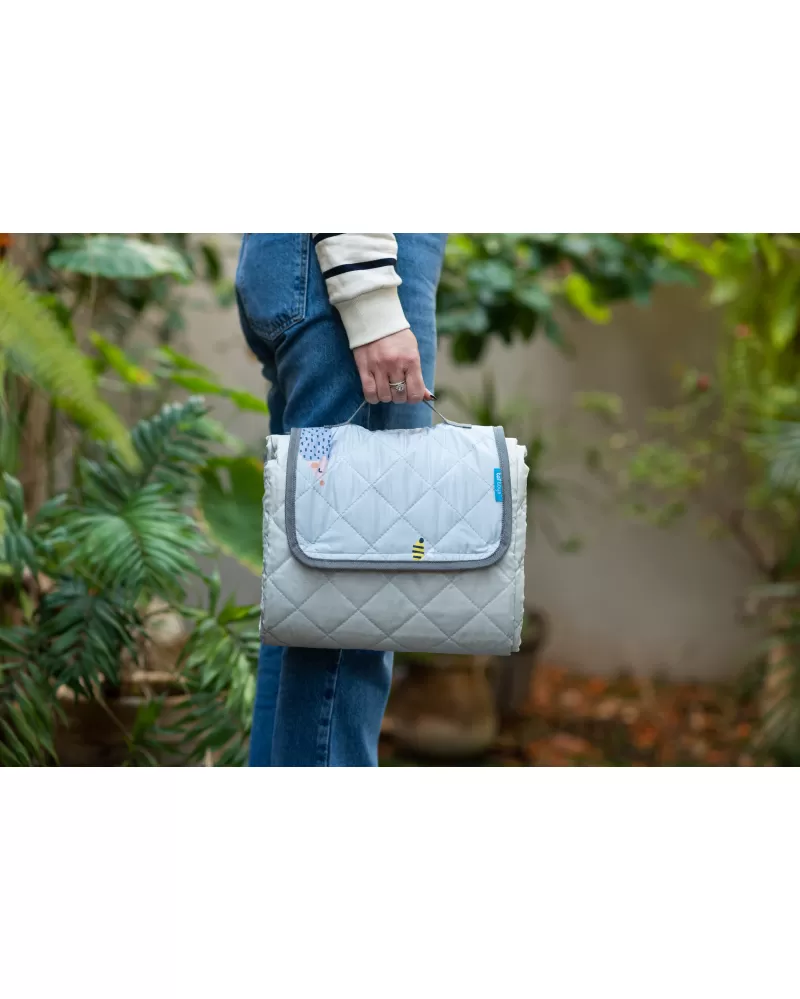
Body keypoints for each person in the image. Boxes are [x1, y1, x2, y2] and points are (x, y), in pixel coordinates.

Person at [235, 233, 448, 767]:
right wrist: (371, 304)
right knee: (353, 623)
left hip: (310, 271)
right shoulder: (362, 294)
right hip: (348, 282)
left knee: (304, 607)